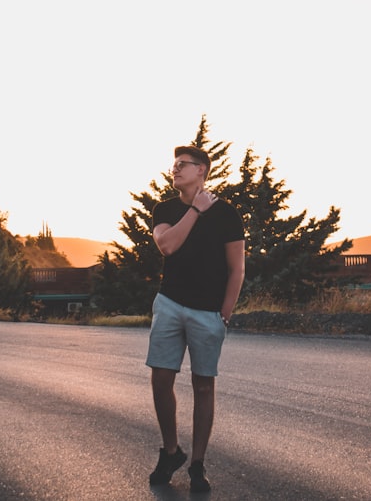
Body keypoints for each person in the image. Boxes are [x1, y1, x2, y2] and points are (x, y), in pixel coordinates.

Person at [146, 145, 246, 492]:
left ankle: (198, 465)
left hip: (208, 312)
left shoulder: (228, 214)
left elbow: (237, 269)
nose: (175, 169)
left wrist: (225, 314)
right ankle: (171, 451)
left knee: (204, 385)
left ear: (202, 170)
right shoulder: (165, 209)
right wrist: (195, 211)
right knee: (161, 378)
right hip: (170, 304)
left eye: (182, 165)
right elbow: (167, 245)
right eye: (173, 165)